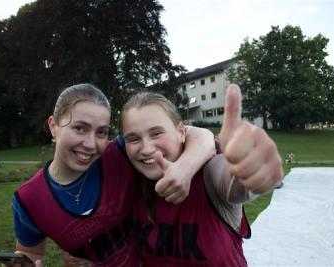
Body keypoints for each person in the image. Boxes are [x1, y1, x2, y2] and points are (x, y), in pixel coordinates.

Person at [9, 83, 216, 267]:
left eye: (101, 132)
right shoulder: (28, 200)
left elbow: (200, 135)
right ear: (53, 127)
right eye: (79, 128)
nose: (90, 144)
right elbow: (29, 252)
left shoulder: (119, 154)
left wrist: (184, 169)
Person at [120, 84, 284, 266]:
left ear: (181, 132)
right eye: (133, 139)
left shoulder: (208, 171)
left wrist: (249, 169)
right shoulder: (130, 181)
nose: (146, 149)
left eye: (156, 133)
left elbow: (232, 183)